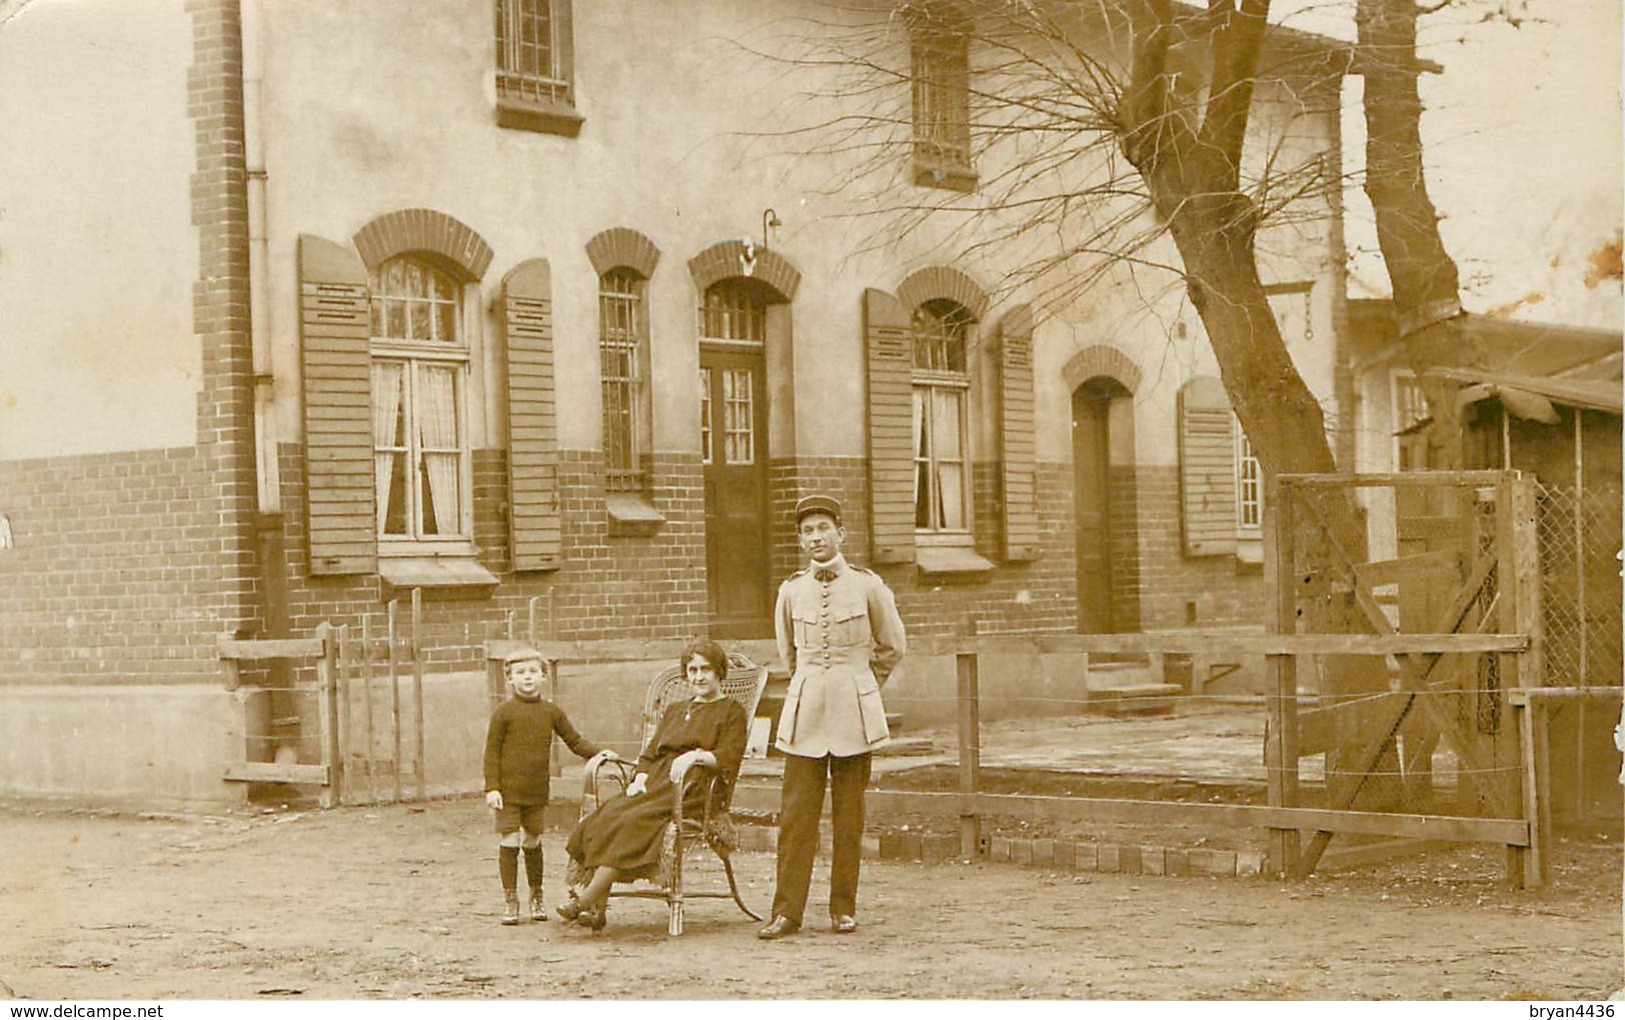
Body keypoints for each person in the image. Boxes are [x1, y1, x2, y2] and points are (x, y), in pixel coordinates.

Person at [758, 494, 906, 940]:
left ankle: (843, 907)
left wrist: (860, 686)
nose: (816, 537)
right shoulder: (790, 591)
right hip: (804, 719)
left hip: (853, 718)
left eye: (824, 527)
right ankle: (787, 912)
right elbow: (788, 655)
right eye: (807, 531)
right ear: (800, 540)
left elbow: (892, 646)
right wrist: (815, 687)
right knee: (795, 817)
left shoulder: (869, 586)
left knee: (848, 817)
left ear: (841, 533)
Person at [557, 636, 749, 932]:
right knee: (609, 814)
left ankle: (585, 901)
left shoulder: (731, 710)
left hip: (693, 787)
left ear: (719, 672)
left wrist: (696, 757)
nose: (698, 676)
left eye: (706, 669)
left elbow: (729, 756)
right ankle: (597, 909)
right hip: (657, 782)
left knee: (634, 820)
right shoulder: (675, 709)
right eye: (692, 670)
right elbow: (649, 753)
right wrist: (641, 777)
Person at [483, 647, 616, 925]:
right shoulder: (503, 713)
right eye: (520, 673)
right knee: (509, 840)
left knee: (533, 841)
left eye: (533, 672)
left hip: (535, 791)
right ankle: (511, 900)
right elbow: (491, 753)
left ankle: (536, 896)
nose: (527, 678)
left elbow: (574, 740)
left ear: (544, 676)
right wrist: (492, 788)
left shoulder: (551, 711)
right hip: (507, 792)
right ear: (509, 679)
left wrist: (599, 753)